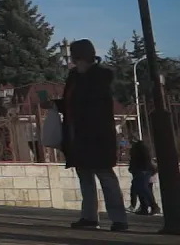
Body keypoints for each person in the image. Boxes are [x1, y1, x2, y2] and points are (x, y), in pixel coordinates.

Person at [58, 39, 128, 232]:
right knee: (85, 176)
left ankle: (119, 219)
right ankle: (89, 217)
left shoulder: (100, 76)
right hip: (78, 134)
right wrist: (57, 105)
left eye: (74, 56)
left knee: (105, 175)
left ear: (81, 57)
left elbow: (95, 106)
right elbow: (70, 102)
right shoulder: (74, 76)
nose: (72, 61)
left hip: (97, 135)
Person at [128, 139, 159, 216]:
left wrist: (134, 168)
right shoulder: (141, 147)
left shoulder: (138, 148)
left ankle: (152, 206)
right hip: (142, 170)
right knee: (140, 189)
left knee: (142, 188)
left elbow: (138, 160)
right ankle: (145, 207)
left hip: (142, 170)